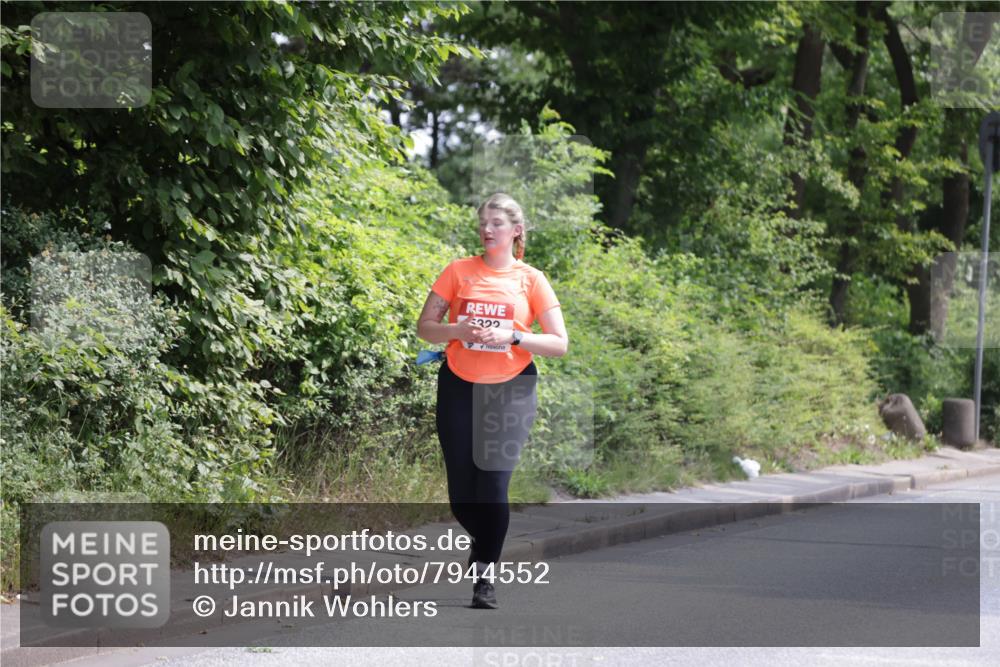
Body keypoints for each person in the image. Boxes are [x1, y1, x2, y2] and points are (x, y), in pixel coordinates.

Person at [416, 193, 568, 609]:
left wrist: (514, 336)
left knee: (494, 484)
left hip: (512, 388)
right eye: (483, 222)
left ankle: (485, 576)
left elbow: (559, 343)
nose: (487, 229)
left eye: (497, 223)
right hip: (459, 386)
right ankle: (484, 543)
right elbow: (425, 328)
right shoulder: (457, 271)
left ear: (516, 231)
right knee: (462, 494)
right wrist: (457, 329)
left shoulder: (531, 279)